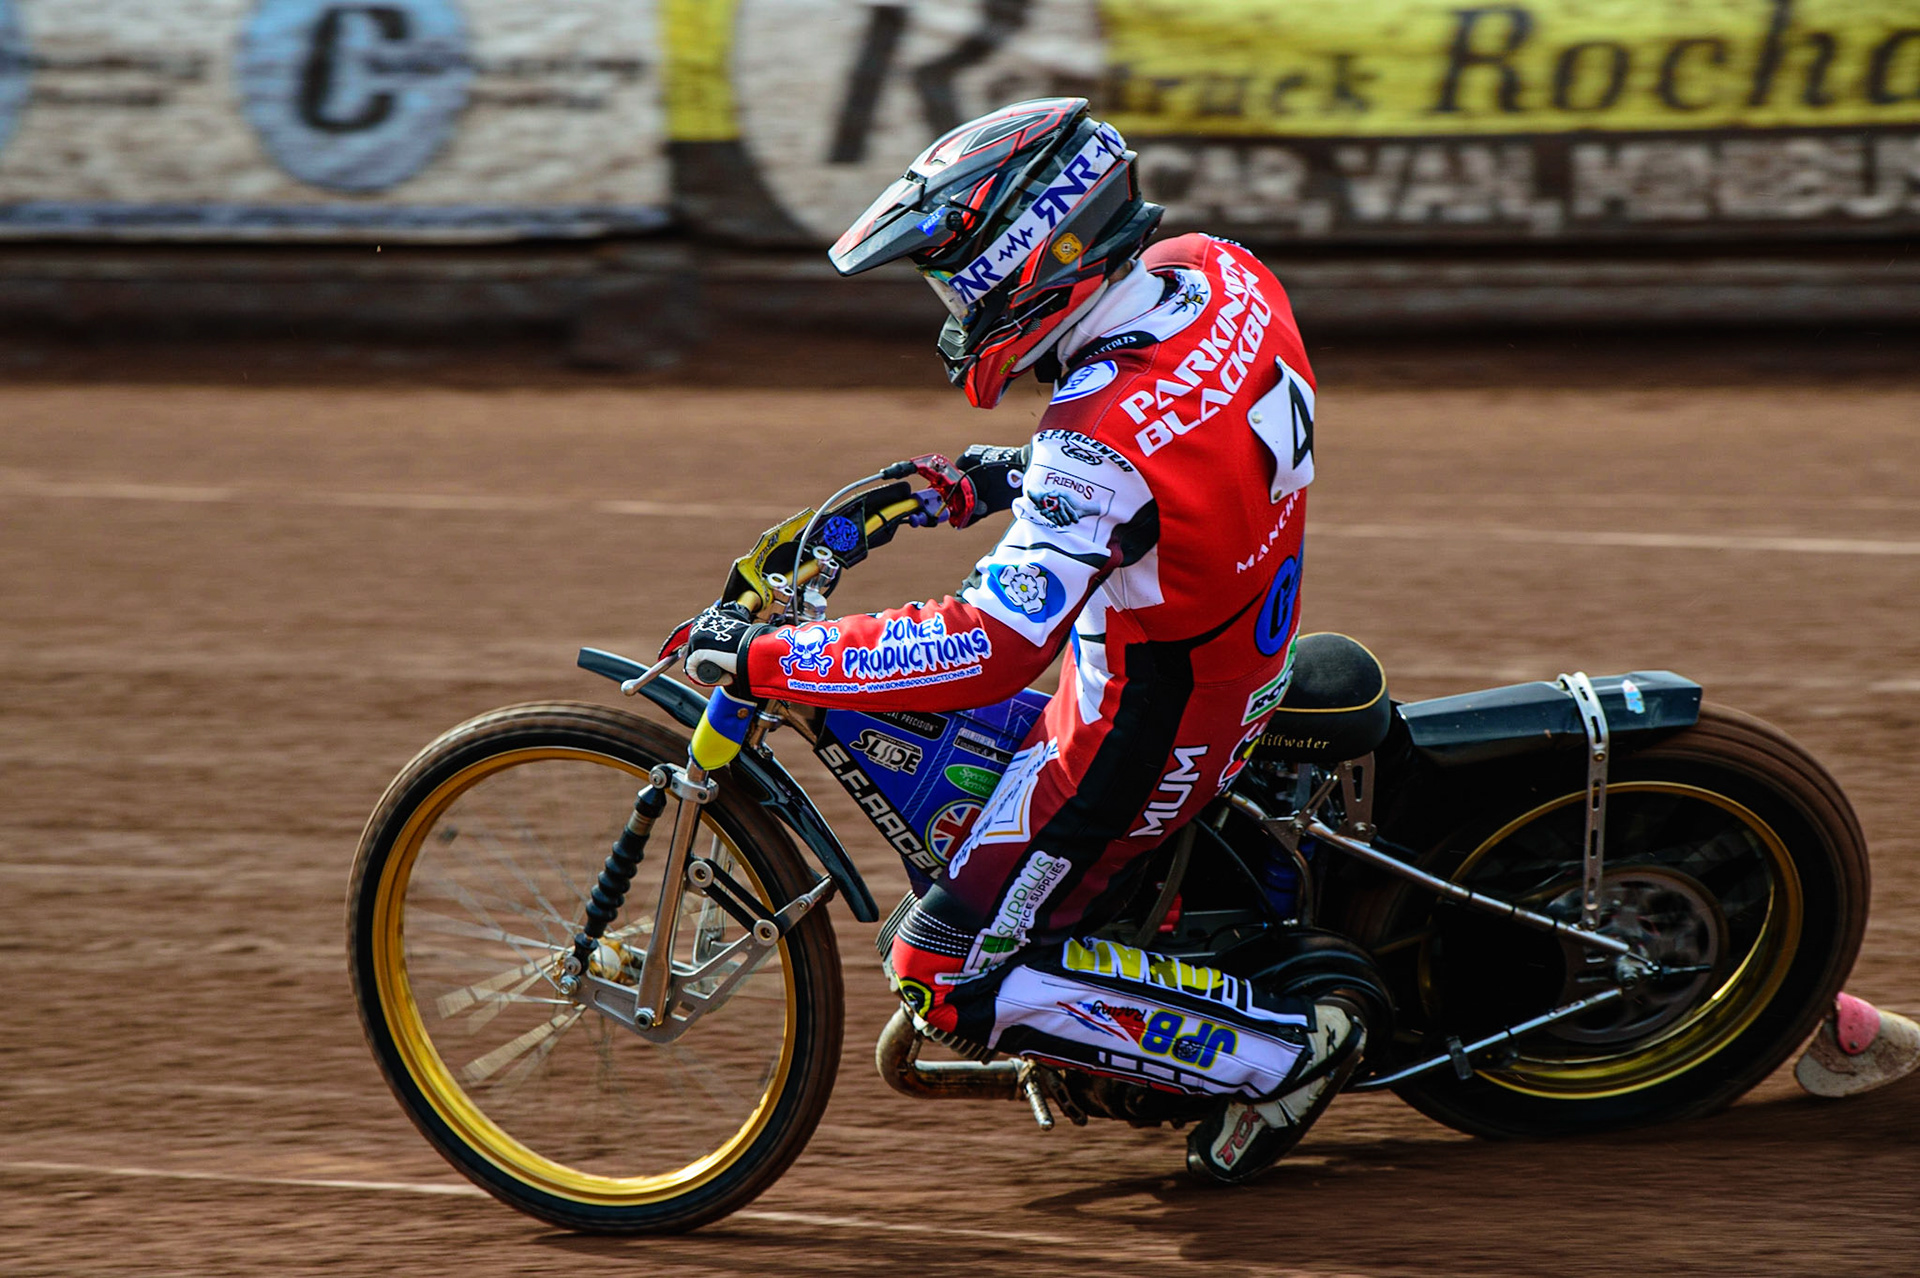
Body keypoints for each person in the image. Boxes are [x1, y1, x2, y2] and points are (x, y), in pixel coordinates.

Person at [678, 97, 1361, 1182]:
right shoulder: (1222, 273)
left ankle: (1283, 1054)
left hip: (1137, 734)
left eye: (958, 284)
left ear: (1033, 259)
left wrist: (769, 660)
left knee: (940, 973)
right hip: (1224, 645)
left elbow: (989, 646)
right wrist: (1009, 480)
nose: (954, 313)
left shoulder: (1097, 437)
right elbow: (1179, 460)